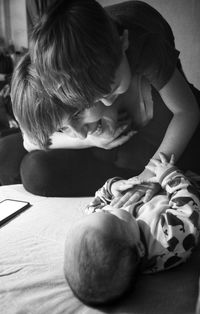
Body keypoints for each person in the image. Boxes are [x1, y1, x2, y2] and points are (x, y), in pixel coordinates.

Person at [6, 0, 200, 196]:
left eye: (111, 90)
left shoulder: (146, 47)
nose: (107, 101)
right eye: (90, 99)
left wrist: (150, 173)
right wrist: (91, 141)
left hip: (148, 41)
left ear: (124, 42)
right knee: (12, 155)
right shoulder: (59, 71)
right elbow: (30, 140)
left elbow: (186, 111)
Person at [63, 153, 200, 306]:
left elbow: (96, 203)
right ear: (140, 248)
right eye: (112, 215)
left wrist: (112, 188)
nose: (107, 209)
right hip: (185, 182)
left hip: (150, 181)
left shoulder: (102, 222)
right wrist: (169, 176)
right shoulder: (167, 242)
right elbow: (189, 209)